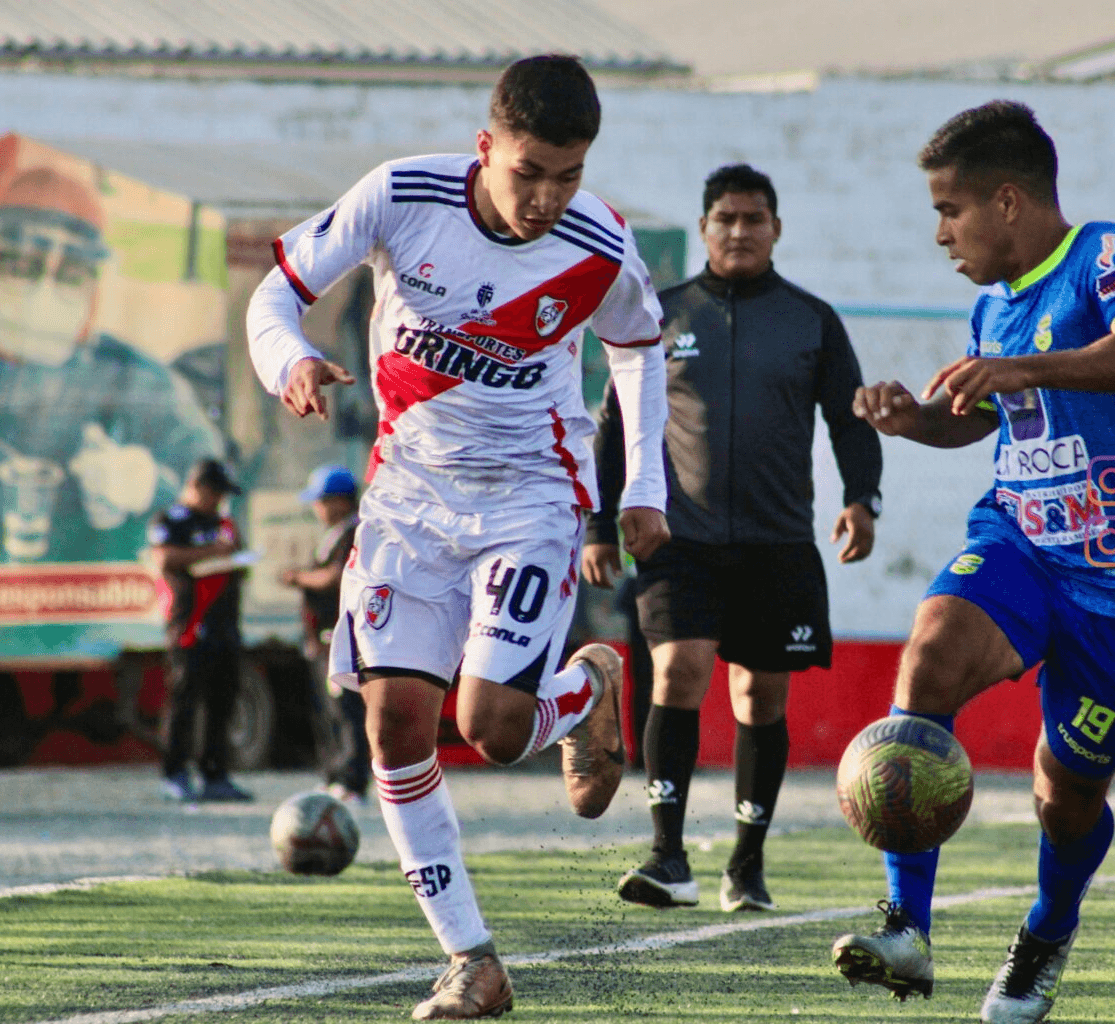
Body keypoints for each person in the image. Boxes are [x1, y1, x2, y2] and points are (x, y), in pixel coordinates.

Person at [245, 55, 670, 1021]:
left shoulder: (599, 242)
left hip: (531, 495)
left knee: (493, 728)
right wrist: (294, 363)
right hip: (406, 499)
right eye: (531, 173)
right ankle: (472, 961)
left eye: (569, 175)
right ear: (488, 148)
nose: (548, 198)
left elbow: (638, 347)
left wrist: (641, 482)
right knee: (394, 725)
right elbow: (273, 297)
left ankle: (588, 683)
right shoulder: (402, 195)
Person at [827, 101, 1115, 1024]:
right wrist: (909, 418)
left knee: (1063, 797)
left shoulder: (1105, 255)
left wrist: (1028, 369)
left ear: (1006, 202)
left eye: (948, 210)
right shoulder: (991, 304)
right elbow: (984, 420)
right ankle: (906, 927)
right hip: (1022, 541)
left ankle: (1045, 932)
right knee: (929, 657)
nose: (941, 233)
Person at [583, 163, 883, 914]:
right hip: (676, 538)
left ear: (776, 229)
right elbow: (614, 424)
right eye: (726, 219)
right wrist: (598, 524)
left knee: (760, 696)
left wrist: (861, 499)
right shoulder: (661, 316)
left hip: (777, 542)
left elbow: (849, 419)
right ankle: (667, 854)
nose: (740, 231)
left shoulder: (812, 320)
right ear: (704, 228)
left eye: (754, 219)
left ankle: (746, 864)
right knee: (679, 671)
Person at [0, 166, 225, 564]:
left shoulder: (137, 380)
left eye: (70, 273)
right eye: (21, 265)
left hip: (103, 615)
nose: (43, 293)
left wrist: (152, 486)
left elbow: (220, 500)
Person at [146, 457, 255, 804]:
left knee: (221, 702)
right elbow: (164, 559)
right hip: (190, 626)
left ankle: (215, 775)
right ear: (199, 488)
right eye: (216, 493)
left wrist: (237, 559)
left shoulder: (223, 522)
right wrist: (211, 552)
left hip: (226, 625)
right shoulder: (173, 519)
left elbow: (238, 561)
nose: (219, 501)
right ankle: (175, 773)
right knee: (184, 701)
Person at [280, 464, 368, 805]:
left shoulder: (353, 534)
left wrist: (300, 578)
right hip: (321, 638)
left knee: (346, 710)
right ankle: (333, 775)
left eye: (322, 501)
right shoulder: (333, 535)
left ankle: (352, 780)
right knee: (328, 711)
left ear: (340, 501)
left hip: (339, 637)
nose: (317, 509)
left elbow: (334, 577)